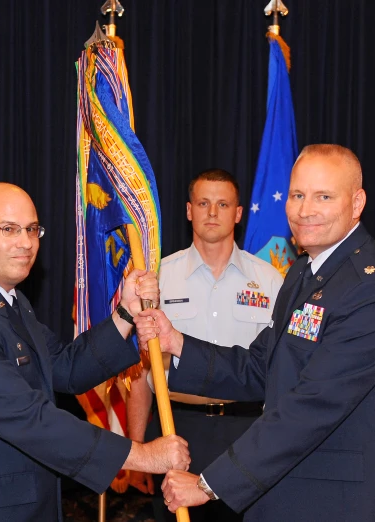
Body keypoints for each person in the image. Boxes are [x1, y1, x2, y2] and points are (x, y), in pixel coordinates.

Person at [134, 145, 375, 522]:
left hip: (338, 503)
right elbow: (260, 368)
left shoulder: (371, 291)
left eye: (324, 196)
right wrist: (177, 343)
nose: (305, 210)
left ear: (357, 202)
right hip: (289, 492)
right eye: (298, 195)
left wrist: (208, 483)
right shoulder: (304, 274)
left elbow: (311, 407)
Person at [0, 182, 190, 522]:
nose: (25, 243)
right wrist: (140, 455)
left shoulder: (9, 302)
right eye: (8, 229)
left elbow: (65, 368)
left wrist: (125, 314)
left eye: (32, 229)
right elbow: (27, 418)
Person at [128, 169, 284, 522]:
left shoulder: (271, 281)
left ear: (239, 213)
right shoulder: (158, 278)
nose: (212, 213)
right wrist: (138, 447)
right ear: (188, 210)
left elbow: (280, 368)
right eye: (203, 203)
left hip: (247, 432)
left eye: (223, 204)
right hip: (177, 429)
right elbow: (139, 367)